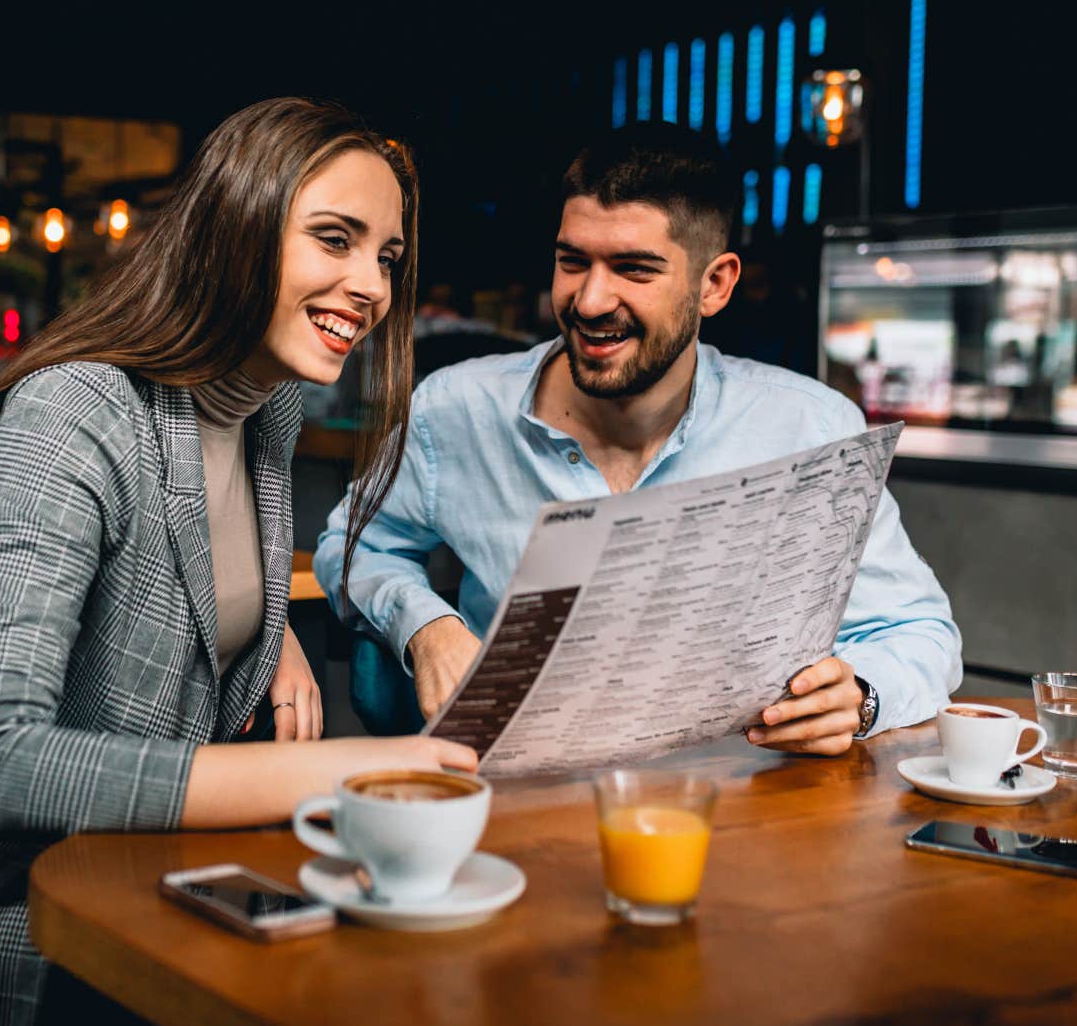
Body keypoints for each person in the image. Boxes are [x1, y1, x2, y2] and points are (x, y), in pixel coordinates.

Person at [0, 98, 476, 1026]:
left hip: (137, 897)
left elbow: (183, 569)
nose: (371, 287)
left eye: (385, 257)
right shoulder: (74, 416)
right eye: (334, 239)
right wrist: (349, 774)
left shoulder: (262, 410)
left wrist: (262, 633)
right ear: (236, 228)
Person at [314, 121, 961, 754]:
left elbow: (921, 632)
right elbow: (351, 550)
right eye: (573, 262)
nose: (591, 300)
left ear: (715, 284)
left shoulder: (811, 429)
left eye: (634, 268)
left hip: (735, 801)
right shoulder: (456, 410)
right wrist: (426, 625)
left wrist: (862, 698)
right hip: (520, 796)